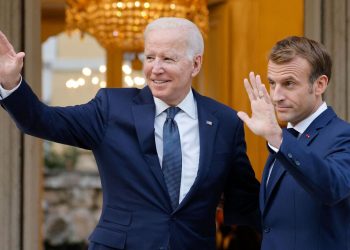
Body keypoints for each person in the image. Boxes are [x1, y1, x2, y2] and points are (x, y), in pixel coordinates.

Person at [0, 17, 260, 250]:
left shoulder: (225, 122)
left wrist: (278, 143)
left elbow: (247, 202)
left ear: (195, 64)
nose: (155, 68)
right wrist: (11, 83)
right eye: (149, 57)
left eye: (167, 58)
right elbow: (41, 121)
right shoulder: (111, 108)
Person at [237, 36, 350, 250]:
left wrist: (278, 138)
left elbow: (332, 187)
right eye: (272, 83)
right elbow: (277, 217)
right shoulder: (284, 138)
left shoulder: (343, 135)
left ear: (319, 84)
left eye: (288, 83)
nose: (276, 96)